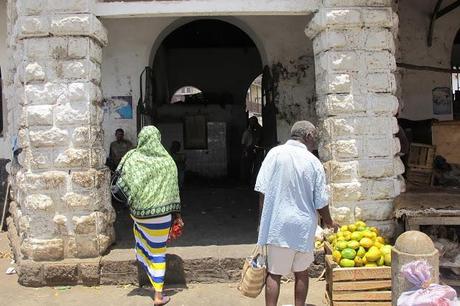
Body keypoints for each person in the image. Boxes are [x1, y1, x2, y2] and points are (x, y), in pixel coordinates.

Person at [254, 121, 337, 306]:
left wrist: (262, 221)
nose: (315, 142)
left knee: (274, 273)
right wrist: (330, 222)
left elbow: (262, 190)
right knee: (302, 271)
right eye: (314, 137)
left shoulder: (274, 154)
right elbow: (321, 201)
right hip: (303, 226)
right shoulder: (313, 162)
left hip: (278, 224)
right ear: (307, 136)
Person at [116, 126, 183, 306]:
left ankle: (148, 270)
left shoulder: (132, 158)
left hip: (138, 215)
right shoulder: (167, 161)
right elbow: (174, 190)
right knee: (158, 252)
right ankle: (158, 296)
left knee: (142, 239)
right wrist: (177, 214)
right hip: (161, 217)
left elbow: (123, 182)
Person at [241, 116, 263, 184]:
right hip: (249, 150)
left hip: (256, 150)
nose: (252, 124)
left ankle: (253, 181)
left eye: (253, 122)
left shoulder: (258, 130)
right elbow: (243, 143)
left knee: (255, 166)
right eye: (251, 122)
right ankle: (248, 181)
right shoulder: (247, 132)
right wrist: (245, 151)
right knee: (248, 166)